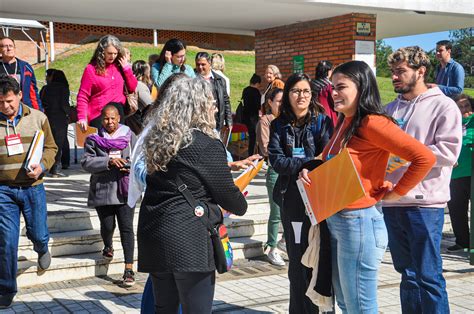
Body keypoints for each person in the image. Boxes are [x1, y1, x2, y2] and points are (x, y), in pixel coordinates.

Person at [300, 60, 436, 313]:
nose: (334, 93)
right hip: (338, 218)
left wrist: (395, 193)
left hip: (359, 222)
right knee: (345, 303)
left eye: (341, 87)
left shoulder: (372, 122)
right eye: (332, 87)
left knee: (360, 307)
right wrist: (310, 165)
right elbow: (335, 158)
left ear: (361, 88)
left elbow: (424, 157)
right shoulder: (346, 120)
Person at [137, 76, 247, 314]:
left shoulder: (157, 140)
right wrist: (239, 201)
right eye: (210, 101)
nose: (215, 107)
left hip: (154, 233)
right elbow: (231, 198)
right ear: (197, 106)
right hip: (189, 240)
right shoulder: (206, 144)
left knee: (163, 308)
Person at [383, 46, 462, 314]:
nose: (395, 77)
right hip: (393, 202)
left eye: (401, 72)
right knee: (407, 275)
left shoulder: (443, 105)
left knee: (429, 277)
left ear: (421, 71)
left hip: (425, 204)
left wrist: (409, 155)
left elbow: (449, 152)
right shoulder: (389, 110)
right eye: (392, 72)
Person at [268, 73, 333, 313]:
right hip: (292, 200)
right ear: (288, 95)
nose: (301, 96)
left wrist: (307, 165)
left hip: (320, 200)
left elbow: (327, 158)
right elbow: (277, 161)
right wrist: (307, 164)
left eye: (306, 91)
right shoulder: (279, 124)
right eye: (296, 91)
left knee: (320, 258)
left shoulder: (322, 122)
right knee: (297, 261)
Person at [0, 75, 57, 309]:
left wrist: (42, 165)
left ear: (20, 96)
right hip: (4, 191)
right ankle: (5, 289)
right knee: (6, 240)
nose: (6, 106)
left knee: (38, 231)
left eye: (10, 101)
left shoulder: (38, 118)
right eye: (1, 102)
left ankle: (42, 246)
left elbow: (52, 147)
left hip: (33, 188)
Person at [81, 104, 137, 287]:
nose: (110, 122)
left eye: (113, 118)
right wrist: (109, 161)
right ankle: (108, 244)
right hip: (103, 189)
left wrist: (128, 164)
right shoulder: (93, 139)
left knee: (127, 228)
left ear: (119, 118)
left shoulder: (130, 137)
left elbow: (140, 158)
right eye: (106, 118)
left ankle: (128, 269)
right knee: (107, 226)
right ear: (101, 119)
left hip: (126, 190)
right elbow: (86, 162)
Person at [76, 35, 138, 130]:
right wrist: (82, 118)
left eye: (115, 53)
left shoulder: (120, 66)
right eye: (109, 53)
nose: (113, 56)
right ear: (102, 52)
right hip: (99, 116)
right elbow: (83, 96)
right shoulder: (91, 69)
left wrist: (126, 69)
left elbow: (132, 87)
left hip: (118, 116)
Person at [256, 87, 286, 266]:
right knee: (276, 211)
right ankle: (272, 247)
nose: (281, 105)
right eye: (278, 101)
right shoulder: (265, 121)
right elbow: (266, 148)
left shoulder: (288, 120)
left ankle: (284, 242)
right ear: (270, 102)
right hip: (275, 170)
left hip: (290, 170)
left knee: (289, 210)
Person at [447, 94, 473, 252]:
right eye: (460, 106)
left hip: (472, 172)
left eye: (467, 106)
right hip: (455, 174)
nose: (464, 109)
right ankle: (462, 241)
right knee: (457, 209)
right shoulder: (450, 123)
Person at [40, 69, 70, 177]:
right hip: (60, 117)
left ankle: (47, 164)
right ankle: (58, 166)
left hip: (47, 117)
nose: (46, 79)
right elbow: (65, 104)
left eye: (47, 76)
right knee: (60, 141)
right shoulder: (64, 88)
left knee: (48, 141)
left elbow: (41, 102)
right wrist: (68, 114)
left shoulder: (45, 88)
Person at [0, 37, 42, 111]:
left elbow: (33, 92)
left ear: (14, 48)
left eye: (11, 46)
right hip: (3, 109)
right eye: (5, 46)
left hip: (24, 109)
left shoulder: (25, 67)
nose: (9, 48)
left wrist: (38, 110)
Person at [195, 51, 232, 131]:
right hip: (197, 123)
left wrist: (229, 121)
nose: (200, 67)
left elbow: (226, 101)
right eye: (198, 64)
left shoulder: (220, 80)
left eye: (203, 64)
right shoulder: (192, 78)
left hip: (215, 122)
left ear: (210, 64)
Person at [126, 60, 153, 134]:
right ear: (144, 73)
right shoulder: (139, 85)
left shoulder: (133, 83)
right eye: (149, 72)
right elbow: (150, 105)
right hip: (139, 123)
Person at [312, 60, 338, 126]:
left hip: (312, 114)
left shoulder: (311, 84)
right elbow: (334, 101)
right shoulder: (329, 85)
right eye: (331, 70)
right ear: (328, 71)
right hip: (327, 115)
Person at [241, 73, 262, 156]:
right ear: (257, 83)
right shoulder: (256, 92)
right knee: (253, 137)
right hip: (253, 118)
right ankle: (252, 155)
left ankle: (249, 154)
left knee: (249, 137)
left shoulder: (245, 90)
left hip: (245, 117)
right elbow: (258, 106)